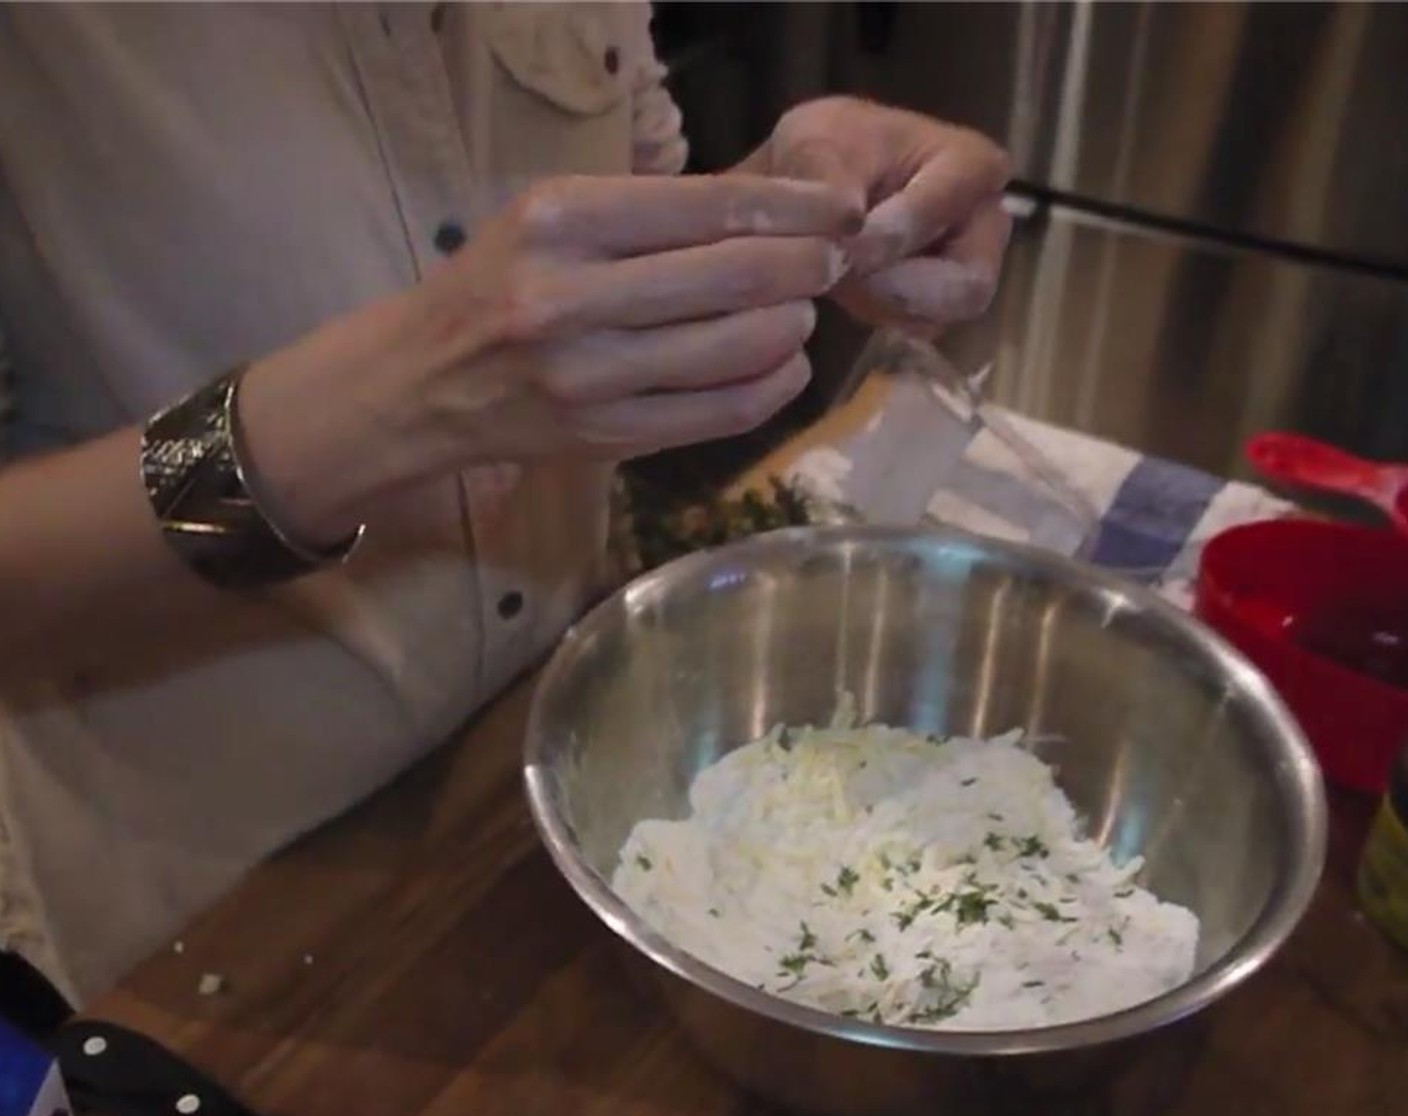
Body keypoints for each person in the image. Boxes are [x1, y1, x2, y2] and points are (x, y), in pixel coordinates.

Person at [0, 3, 1011, 1003]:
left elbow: (607, 265)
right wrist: (387, 400)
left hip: (562, 780)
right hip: (207, 913)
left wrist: (806, 211)